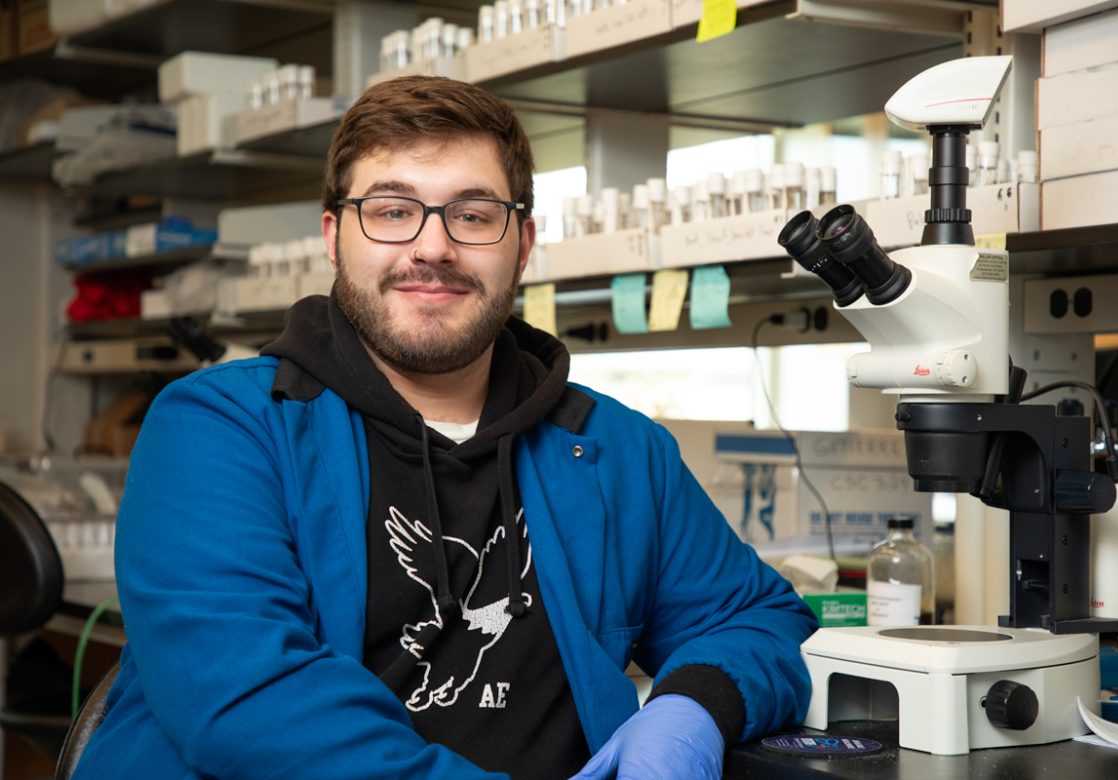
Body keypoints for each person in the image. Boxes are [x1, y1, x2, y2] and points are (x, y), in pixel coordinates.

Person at [73, 75, 817, 780]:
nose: (433, 247)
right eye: (393, 211)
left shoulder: (618, 450)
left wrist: (695, 706)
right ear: (334, 238)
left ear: (522, 246)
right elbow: (245, 700)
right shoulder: (221, 429)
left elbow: (752, 618)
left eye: (473, 213)